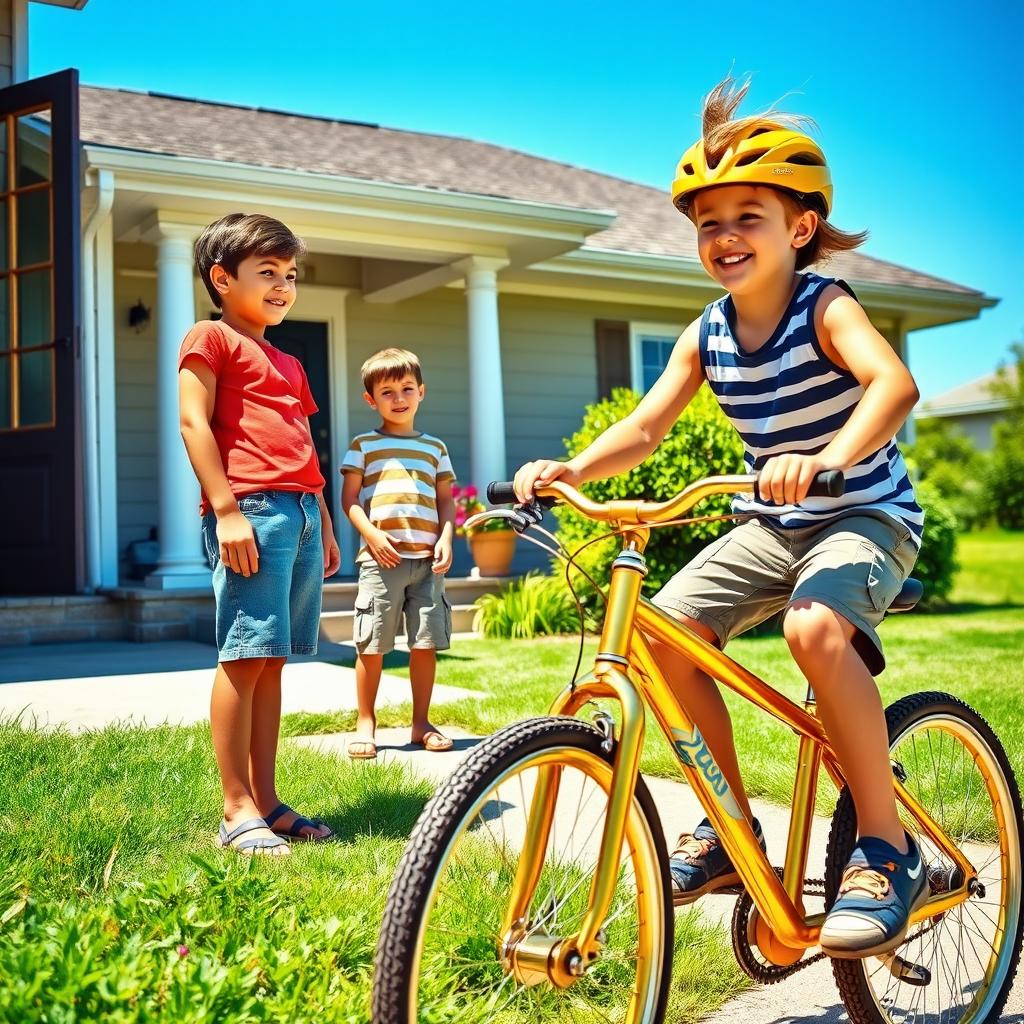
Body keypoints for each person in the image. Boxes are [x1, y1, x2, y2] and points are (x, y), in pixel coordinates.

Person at [513, 77, 926, 959]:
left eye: (749, 216)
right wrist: (573, 467)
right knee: (664, 639)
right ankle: (730, 834)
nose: (726, 237)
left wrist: (827, 458)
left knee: (816, 633)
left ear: (800, 228)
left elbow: (894, 385)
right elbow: (647, 423)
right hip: (774, 526)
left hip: (866, 514)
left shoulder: (828, 305)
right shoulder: (708, 332)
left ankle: (888, 849)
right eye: (709, 223)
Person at [179, 213, 341, 856]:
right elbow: (195, 424)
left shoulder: (290, 362)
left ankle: (267, 801)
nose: (282, 286)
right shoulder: (209, 338)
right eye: (266, 273)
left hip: (299, 514)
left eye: (290, 275)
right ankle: (234, 805)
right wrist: (224, 510)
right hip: (251, 511)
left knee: (273, 659)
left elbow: (305, 446)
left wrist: (325, 523)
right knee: (244, 655)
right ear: (223, 279)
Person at [341, 348, 456, 760]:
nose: (399, 397)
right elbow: (350, 499)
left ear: (421, 392)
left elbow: (446, 501)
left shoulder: (435, 448)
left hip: (427, 562)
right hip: (381, 562)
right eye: (387, 391)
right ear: (371, 399)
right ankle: (366, 722)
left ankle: (421, 723)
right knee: (371, 644)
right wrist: (371, 535)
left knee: (424, 643)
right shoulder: (363, 445)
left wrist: (446, 537)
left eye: (407, 388)